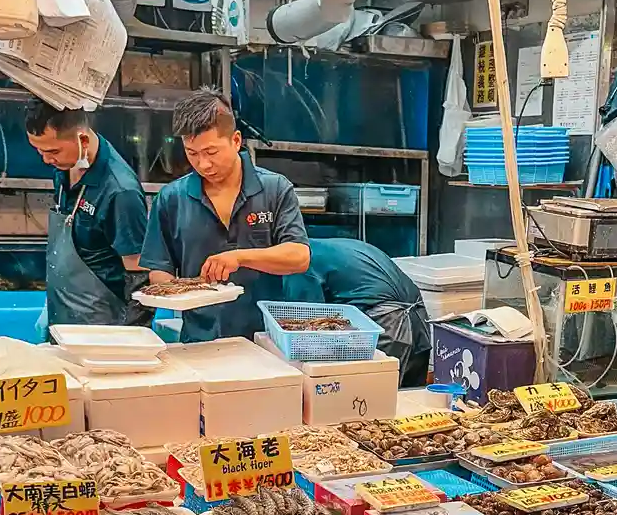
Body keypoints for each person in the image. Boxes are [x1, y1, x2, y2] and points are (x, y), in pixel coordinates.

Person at [139, 89, 310, 342]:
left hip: (264, 341)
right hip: (198, 340)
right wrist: (177, 292)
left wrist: (240, 257)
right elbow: (159, 269)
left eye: (211, 152)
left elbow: (299, 256)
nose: (203, 164)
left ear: (236, 140)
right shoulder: (171, 198)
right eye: (192, 153)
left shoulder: (275, 188)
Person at [25, 103, 149, 328]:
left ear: (82, 140)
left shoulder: (121, 192)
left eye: (53, 151)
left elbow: (139, 273)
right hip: (63, 312)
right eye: (38, 150)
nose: (45, 160)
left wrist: (132, 337)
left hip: (103, 323)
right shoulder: (64, 168)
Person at [284, 237, 431, 385]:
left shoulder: (297, 263)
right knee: (412, 398)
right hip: (419, 314)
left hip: (387, 322)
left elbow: (308, 326)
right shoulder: (329, 246)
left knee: (370, 399)